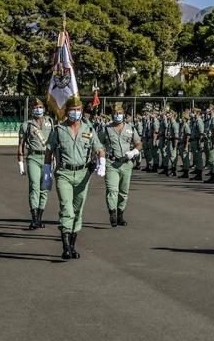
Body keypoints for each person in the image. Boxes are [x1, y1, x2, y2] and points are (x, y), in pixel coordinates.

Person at [43, 95, 105, 260]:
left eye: (78, 110)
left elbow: (99, 148)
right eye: (72, 110)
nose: (75, 113)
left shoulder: (89, 129)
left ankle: (72, 246)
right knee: (67, 209)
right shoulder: (58, 130)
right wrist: (47, 174)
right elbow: (49, 151)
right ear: (67, 111)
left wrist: (102, 162)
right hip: (64, 174)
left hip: (83, 175)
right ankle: (64, 247)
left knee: (78, 211)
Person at [101, 102, 141, 227]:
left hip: (126, 164)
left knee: (123, 192)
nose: (117, 115)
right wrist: (100, 161)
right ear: (112, 114)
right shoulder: (106, 129)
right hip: (111, 163)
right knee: (112, 190)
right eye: (115, 113)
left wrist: (134, 151)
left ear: (123, 114)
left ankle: (120, 215)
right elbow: (98, 144)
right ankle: (112, 213)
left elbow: (139, 143)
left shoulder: (131, 128)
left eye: (119, 113)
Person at [18, 97, 53, 230]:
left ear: (44, 109)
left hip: (47, 158)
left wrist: (55, 159)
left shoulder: (50, 122)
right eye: (35, 108)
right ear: (32, 110)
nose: (38, 110)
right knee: (34, 186)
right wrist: (20, 163)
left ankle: (39, 217)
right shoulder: (27, 125)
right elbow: (20, 145)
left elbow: (55, 141)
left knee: (45, 188)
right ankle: (33, 218)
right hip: (33, 157)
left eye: (40, 107)